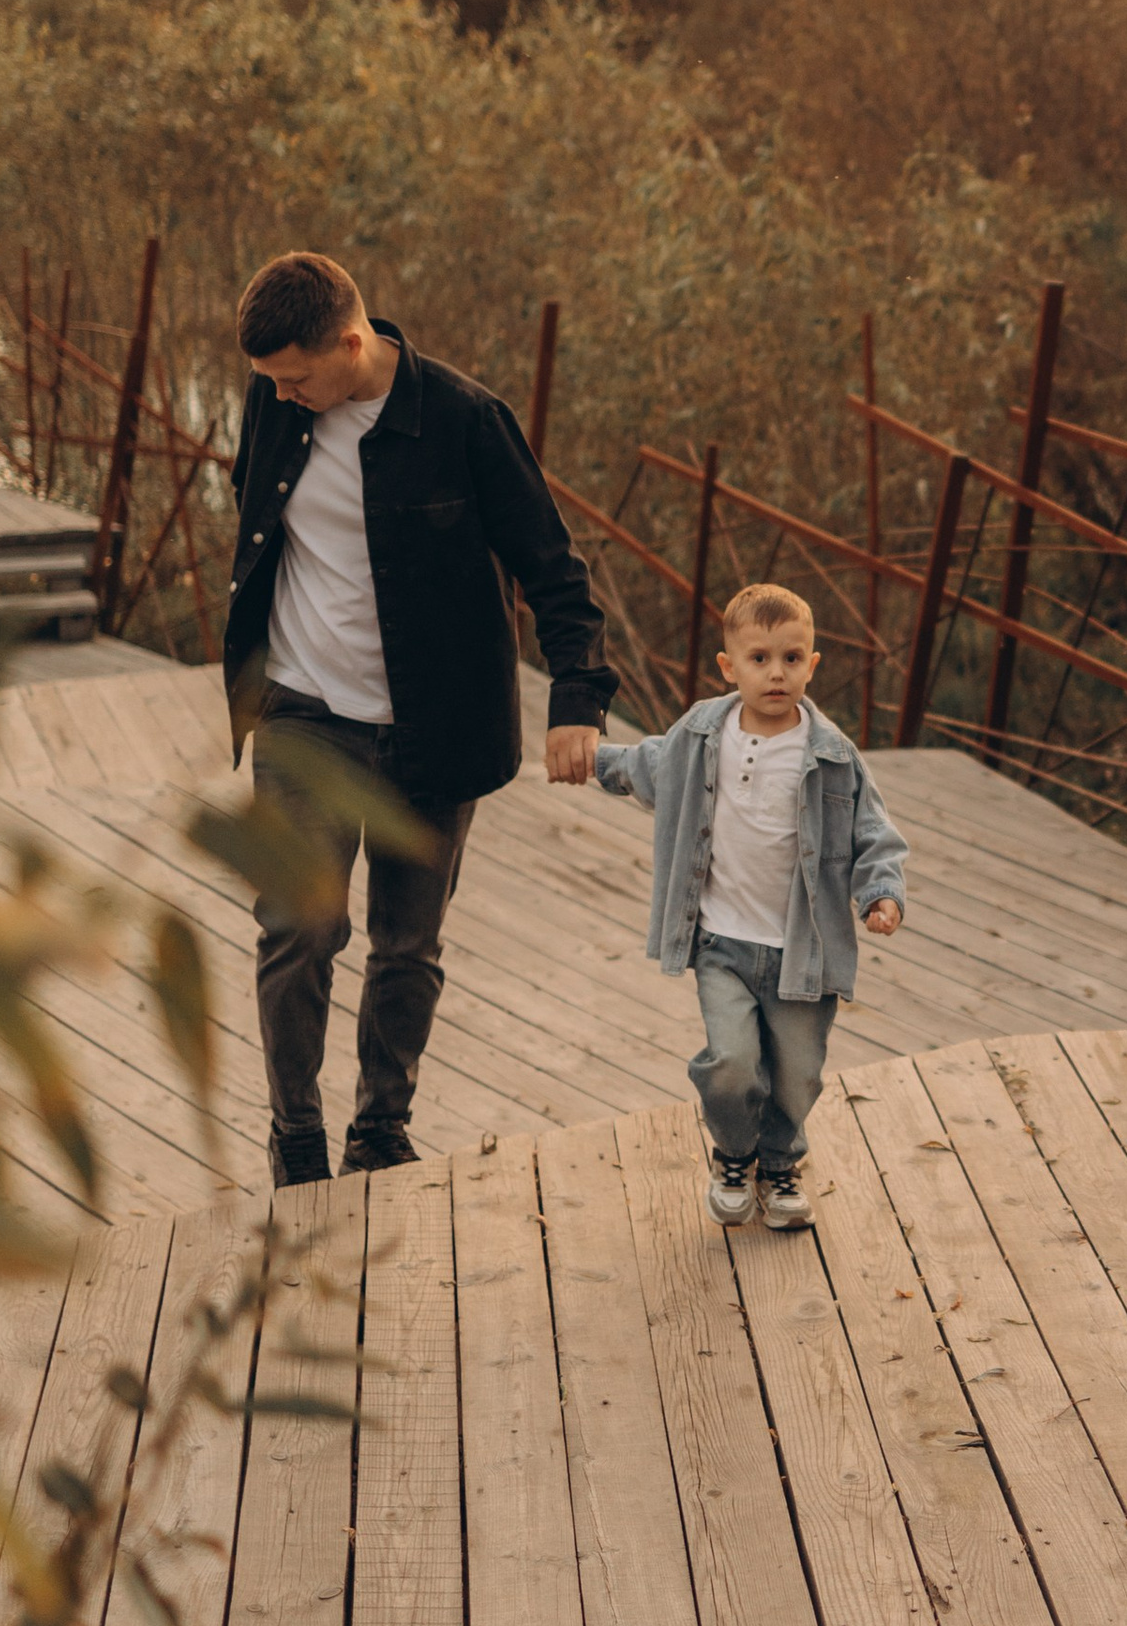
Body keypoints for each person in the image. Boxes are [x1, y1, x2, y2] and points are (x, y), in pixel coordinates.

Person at [226, 251, 616, 1187]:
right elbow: (258, 525)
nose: (282, 399)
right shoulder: (274, 404)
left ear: (352, 343)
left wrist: (577, 702)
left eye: (297, 379)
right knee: (300, 931)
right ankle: (298, 1138)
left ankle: (380, 1132)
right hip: (304, 715)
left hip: (432, 730)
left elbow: (556, 571)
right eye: (269, 382)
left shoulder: (465, 420)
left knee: (408, 945)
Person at [590, 580, 908, 1229]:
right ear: (729, 667)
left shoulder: (834, 756)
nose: (776, 673)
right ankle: (735, 1153)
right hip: (722, 944)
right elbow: (649, 765)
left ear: (812, 665)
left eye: (792, 658)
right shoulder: (703, 735)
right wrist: (592, 759)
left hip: (804, 953)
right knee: (732, 1064)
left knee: (797, 1076)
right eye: (759, 659)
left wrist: (880, 893)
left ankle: (781, 1164)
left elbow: (873, 835)